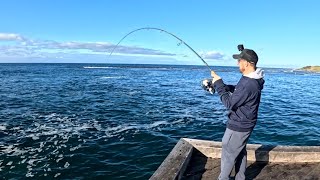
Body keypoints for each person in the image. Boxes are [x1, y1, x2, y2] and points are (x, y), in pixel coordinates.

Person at [211, 46, 265, 180]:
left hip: (238, 125)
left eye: (239, 60)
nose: (237, 63)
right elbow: (239, 90)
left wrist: (218, 84)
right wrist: (225, 87)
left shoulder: (248, 83)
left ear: (246, 63)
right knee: (240, 151)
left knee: (228, 154)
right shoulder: (252, 79)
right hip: (246, 124)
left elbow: (229, 104)